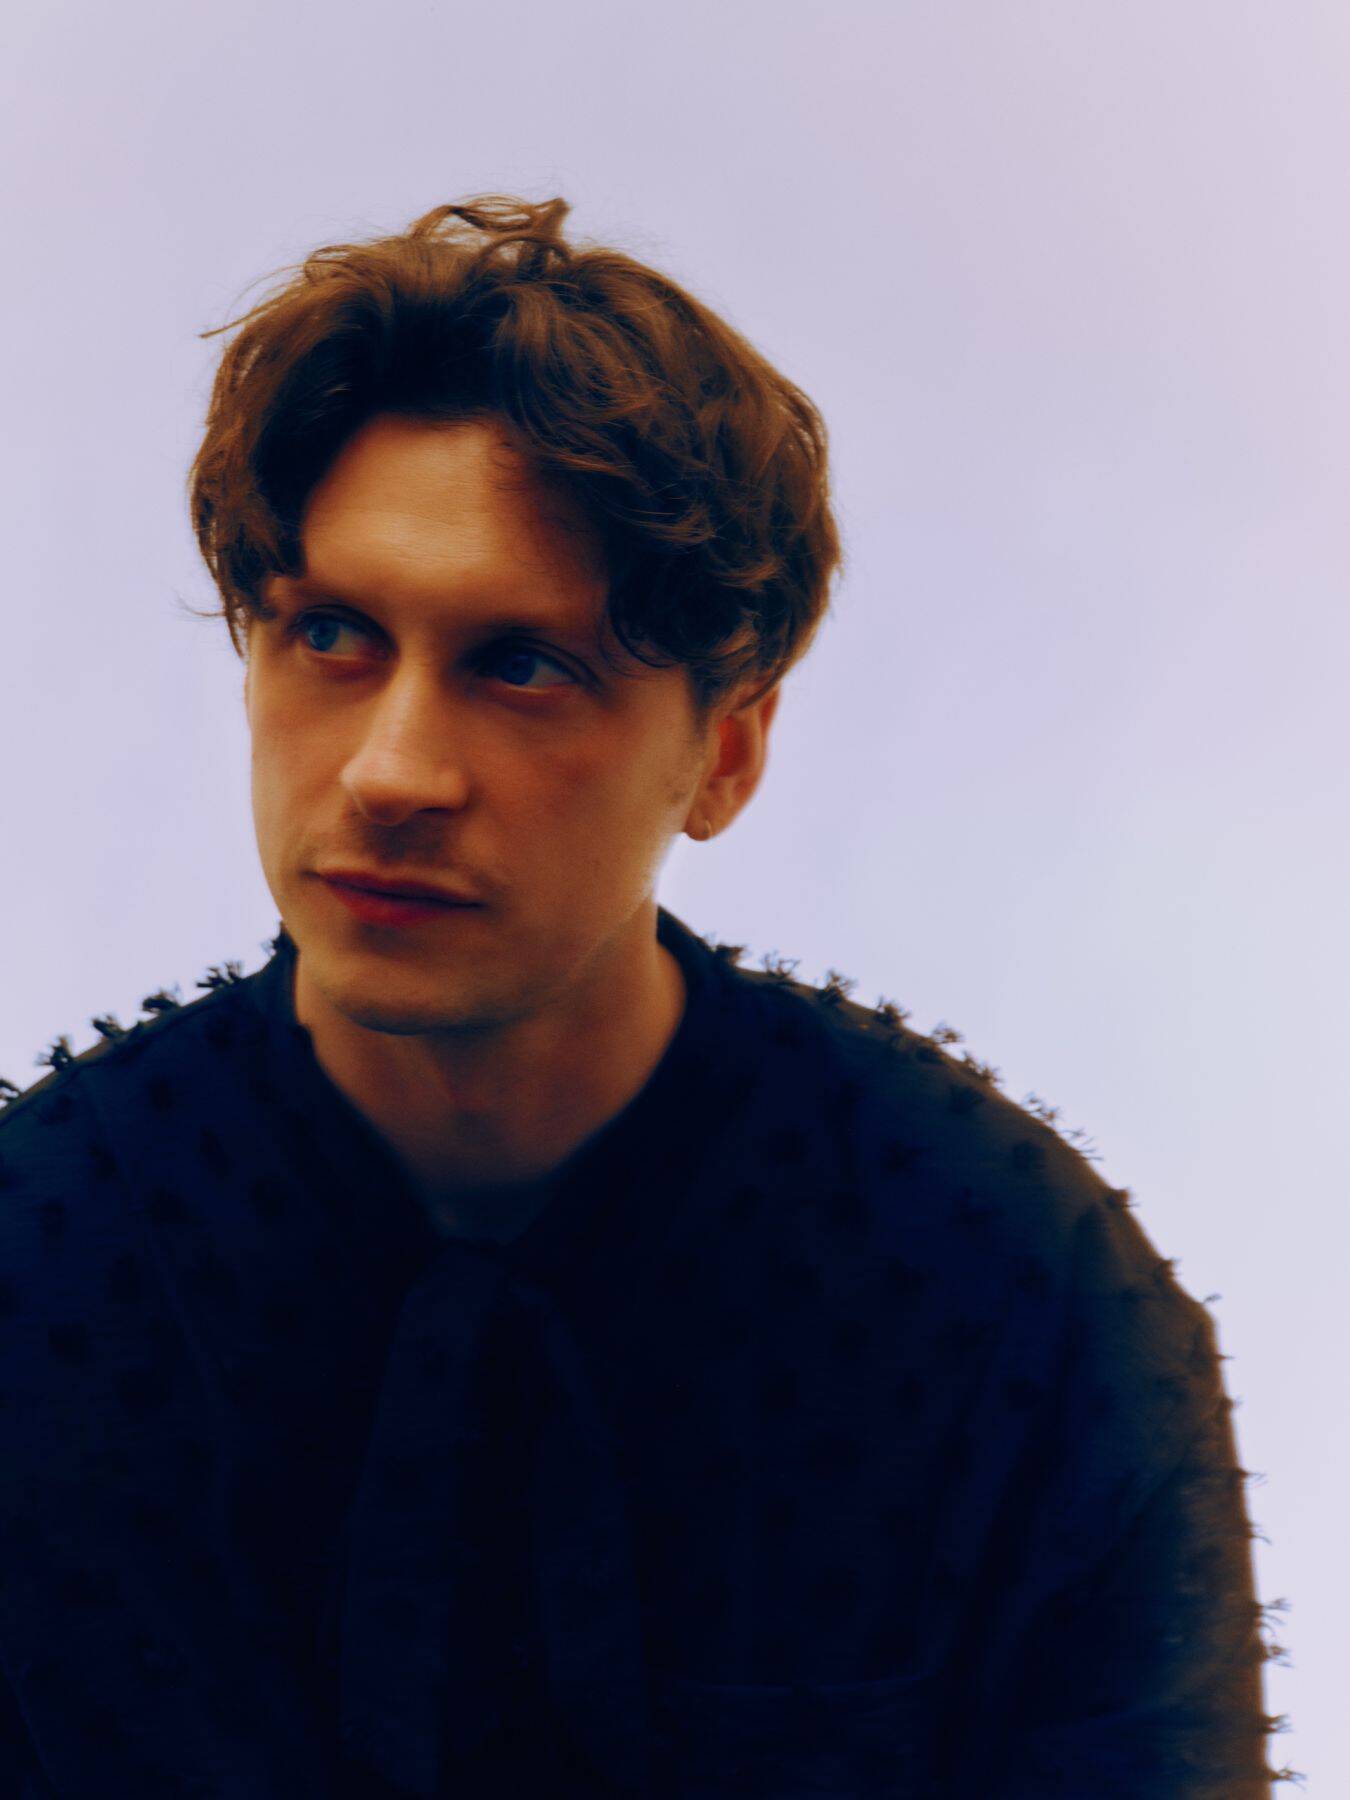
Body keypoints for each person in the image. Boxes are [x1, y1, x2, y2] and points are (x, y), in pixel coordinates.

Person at [0, 195, 1280, 1797]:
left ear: (724, 751)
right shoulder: (43, 1259)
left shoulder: (1012, 1297)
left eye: (520, 664)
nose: (391, 772)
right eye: (329, 634)